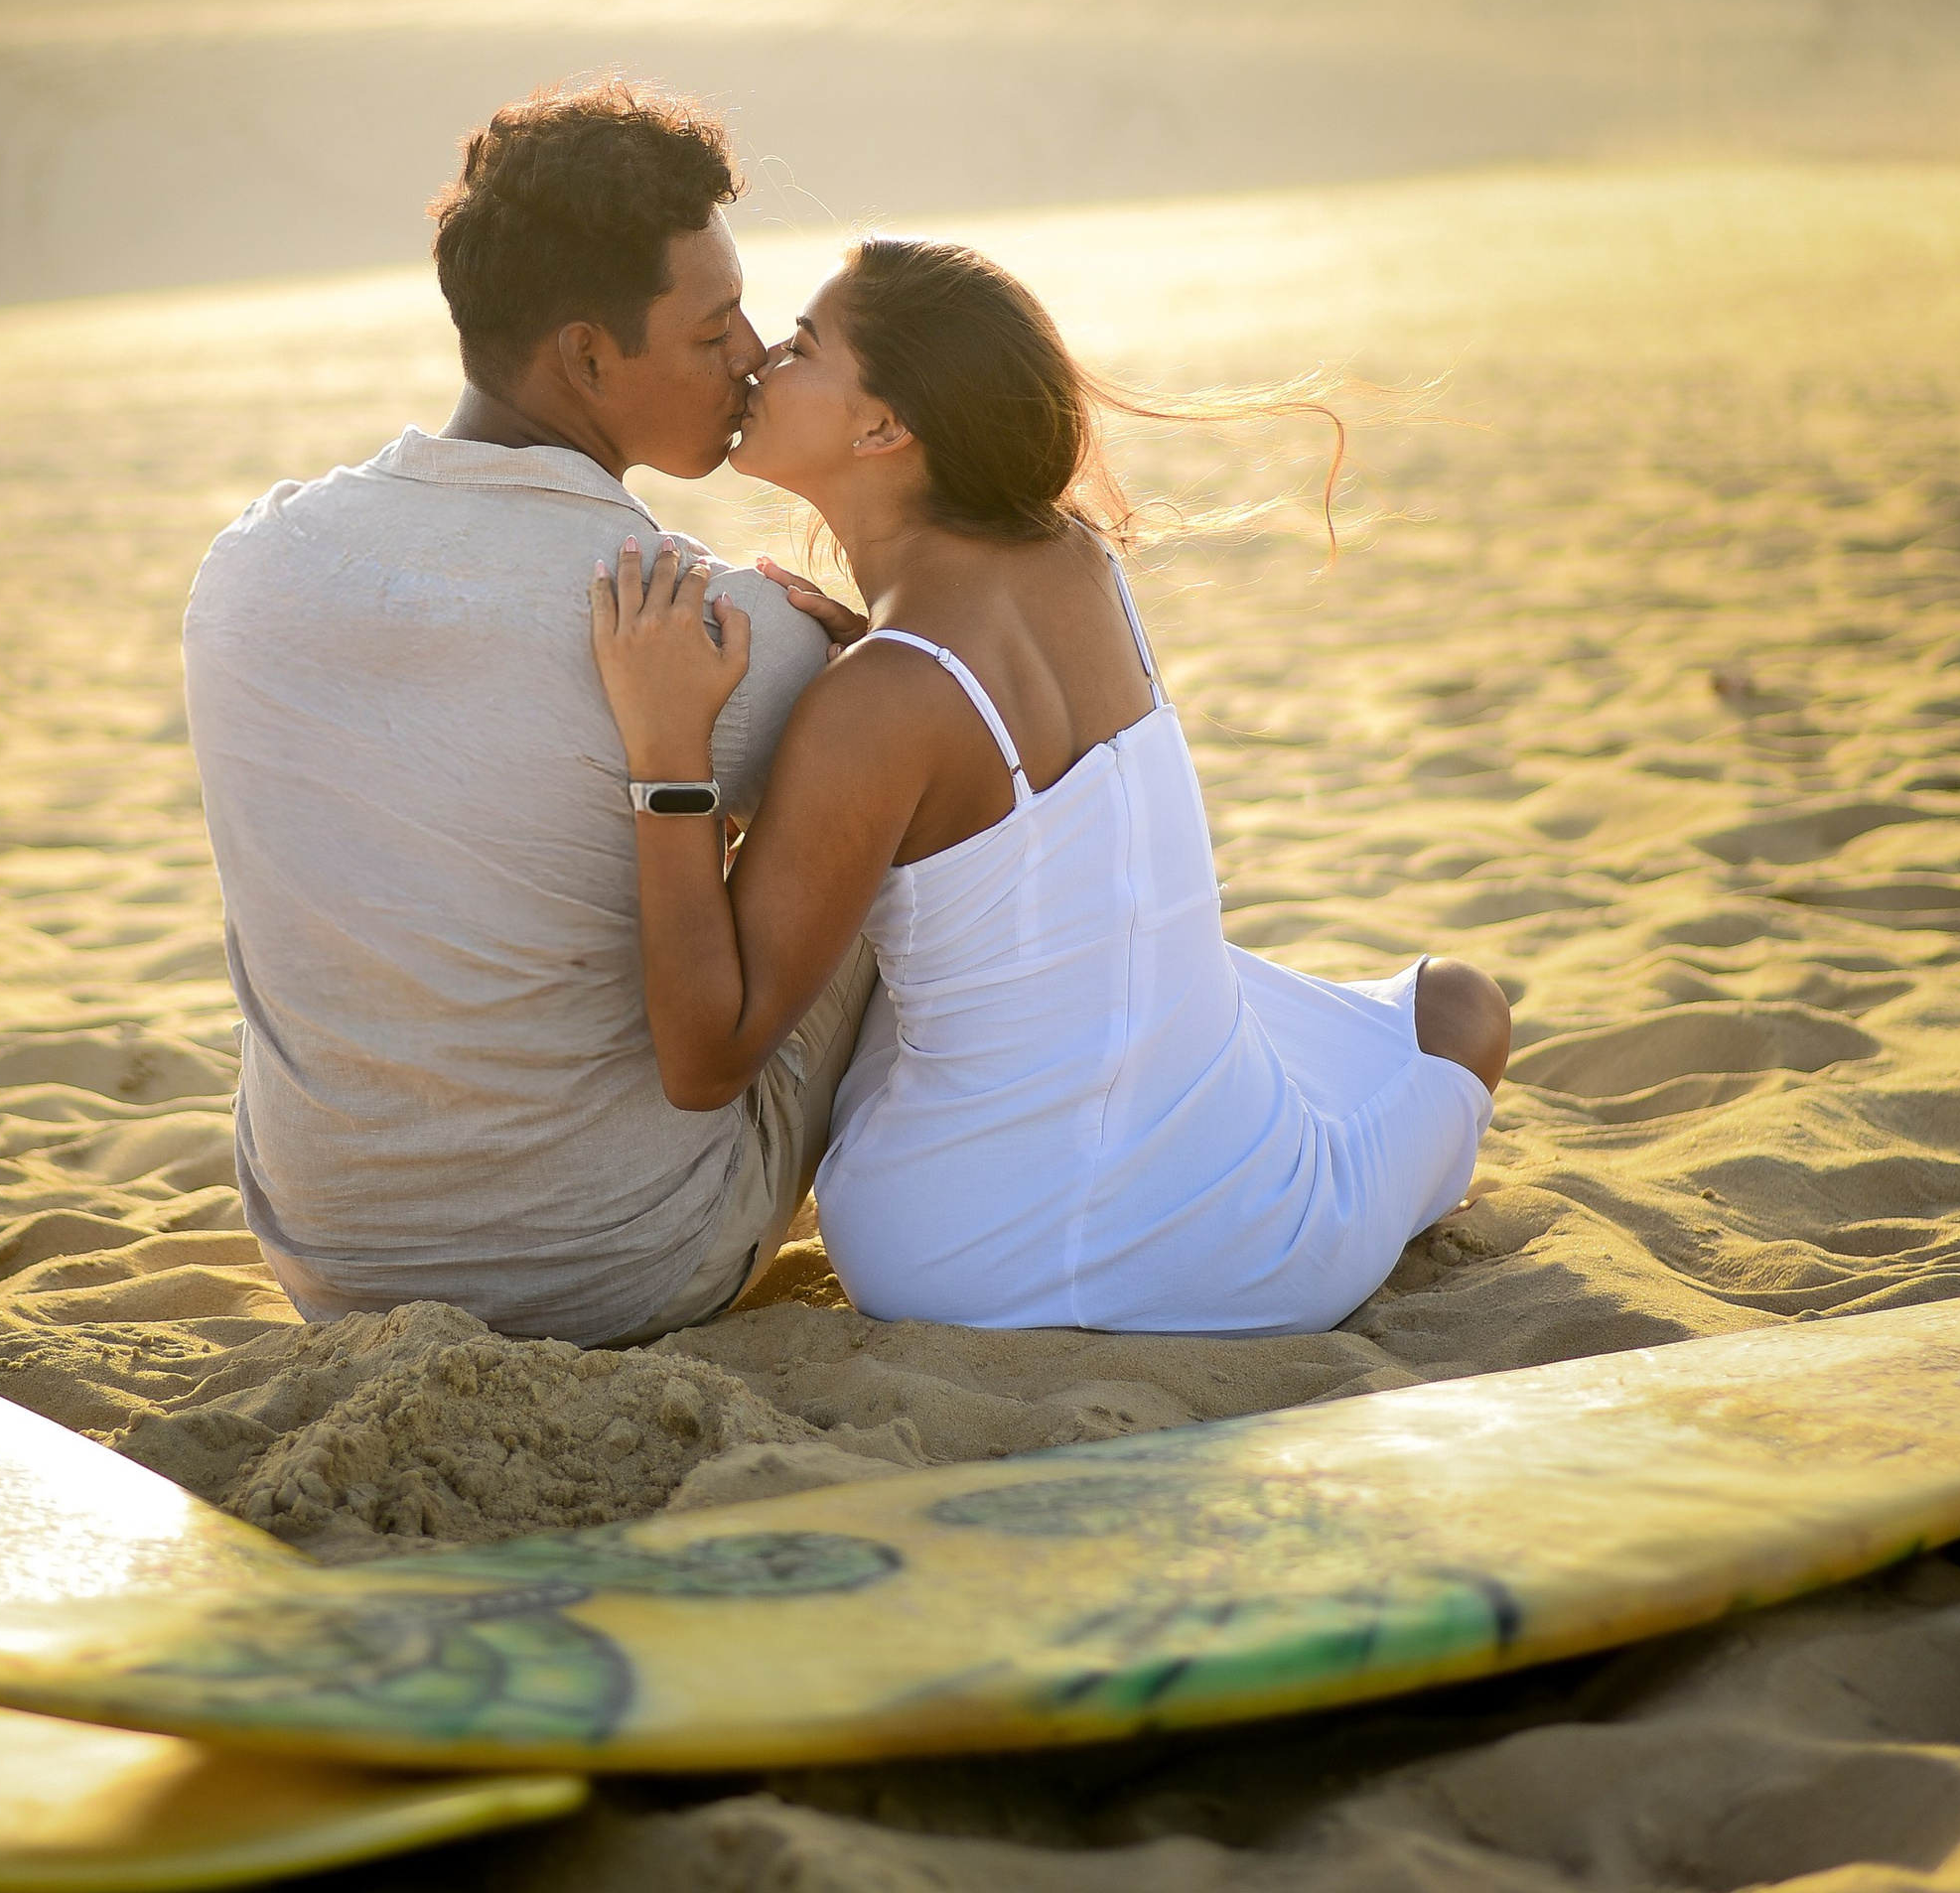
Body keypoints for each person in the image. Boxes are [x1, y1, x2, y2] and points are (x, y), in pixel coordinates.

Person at [589, 233, 1510, 1335]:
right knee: (1459, 1009)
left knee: (1429, 1007)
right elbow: (984, 762)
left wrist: (668, 753)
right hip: (1260, 1252)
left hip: (954, 1250)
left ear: (882, 427)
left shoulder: (879, 702)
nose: (760, 360)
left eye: (802, 343)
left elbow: (707, 1061)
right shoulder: (1077, 561)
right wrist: (859, 685)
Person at [183, 79, 866, 1348]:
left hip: (330, 1262)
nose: (753, 353)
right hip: (630, 1261)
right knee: (894, 775)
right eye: (711, 327)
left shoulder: (247, 569)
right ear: (587, 356)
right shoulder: (723, 633)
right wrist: (866, 672)